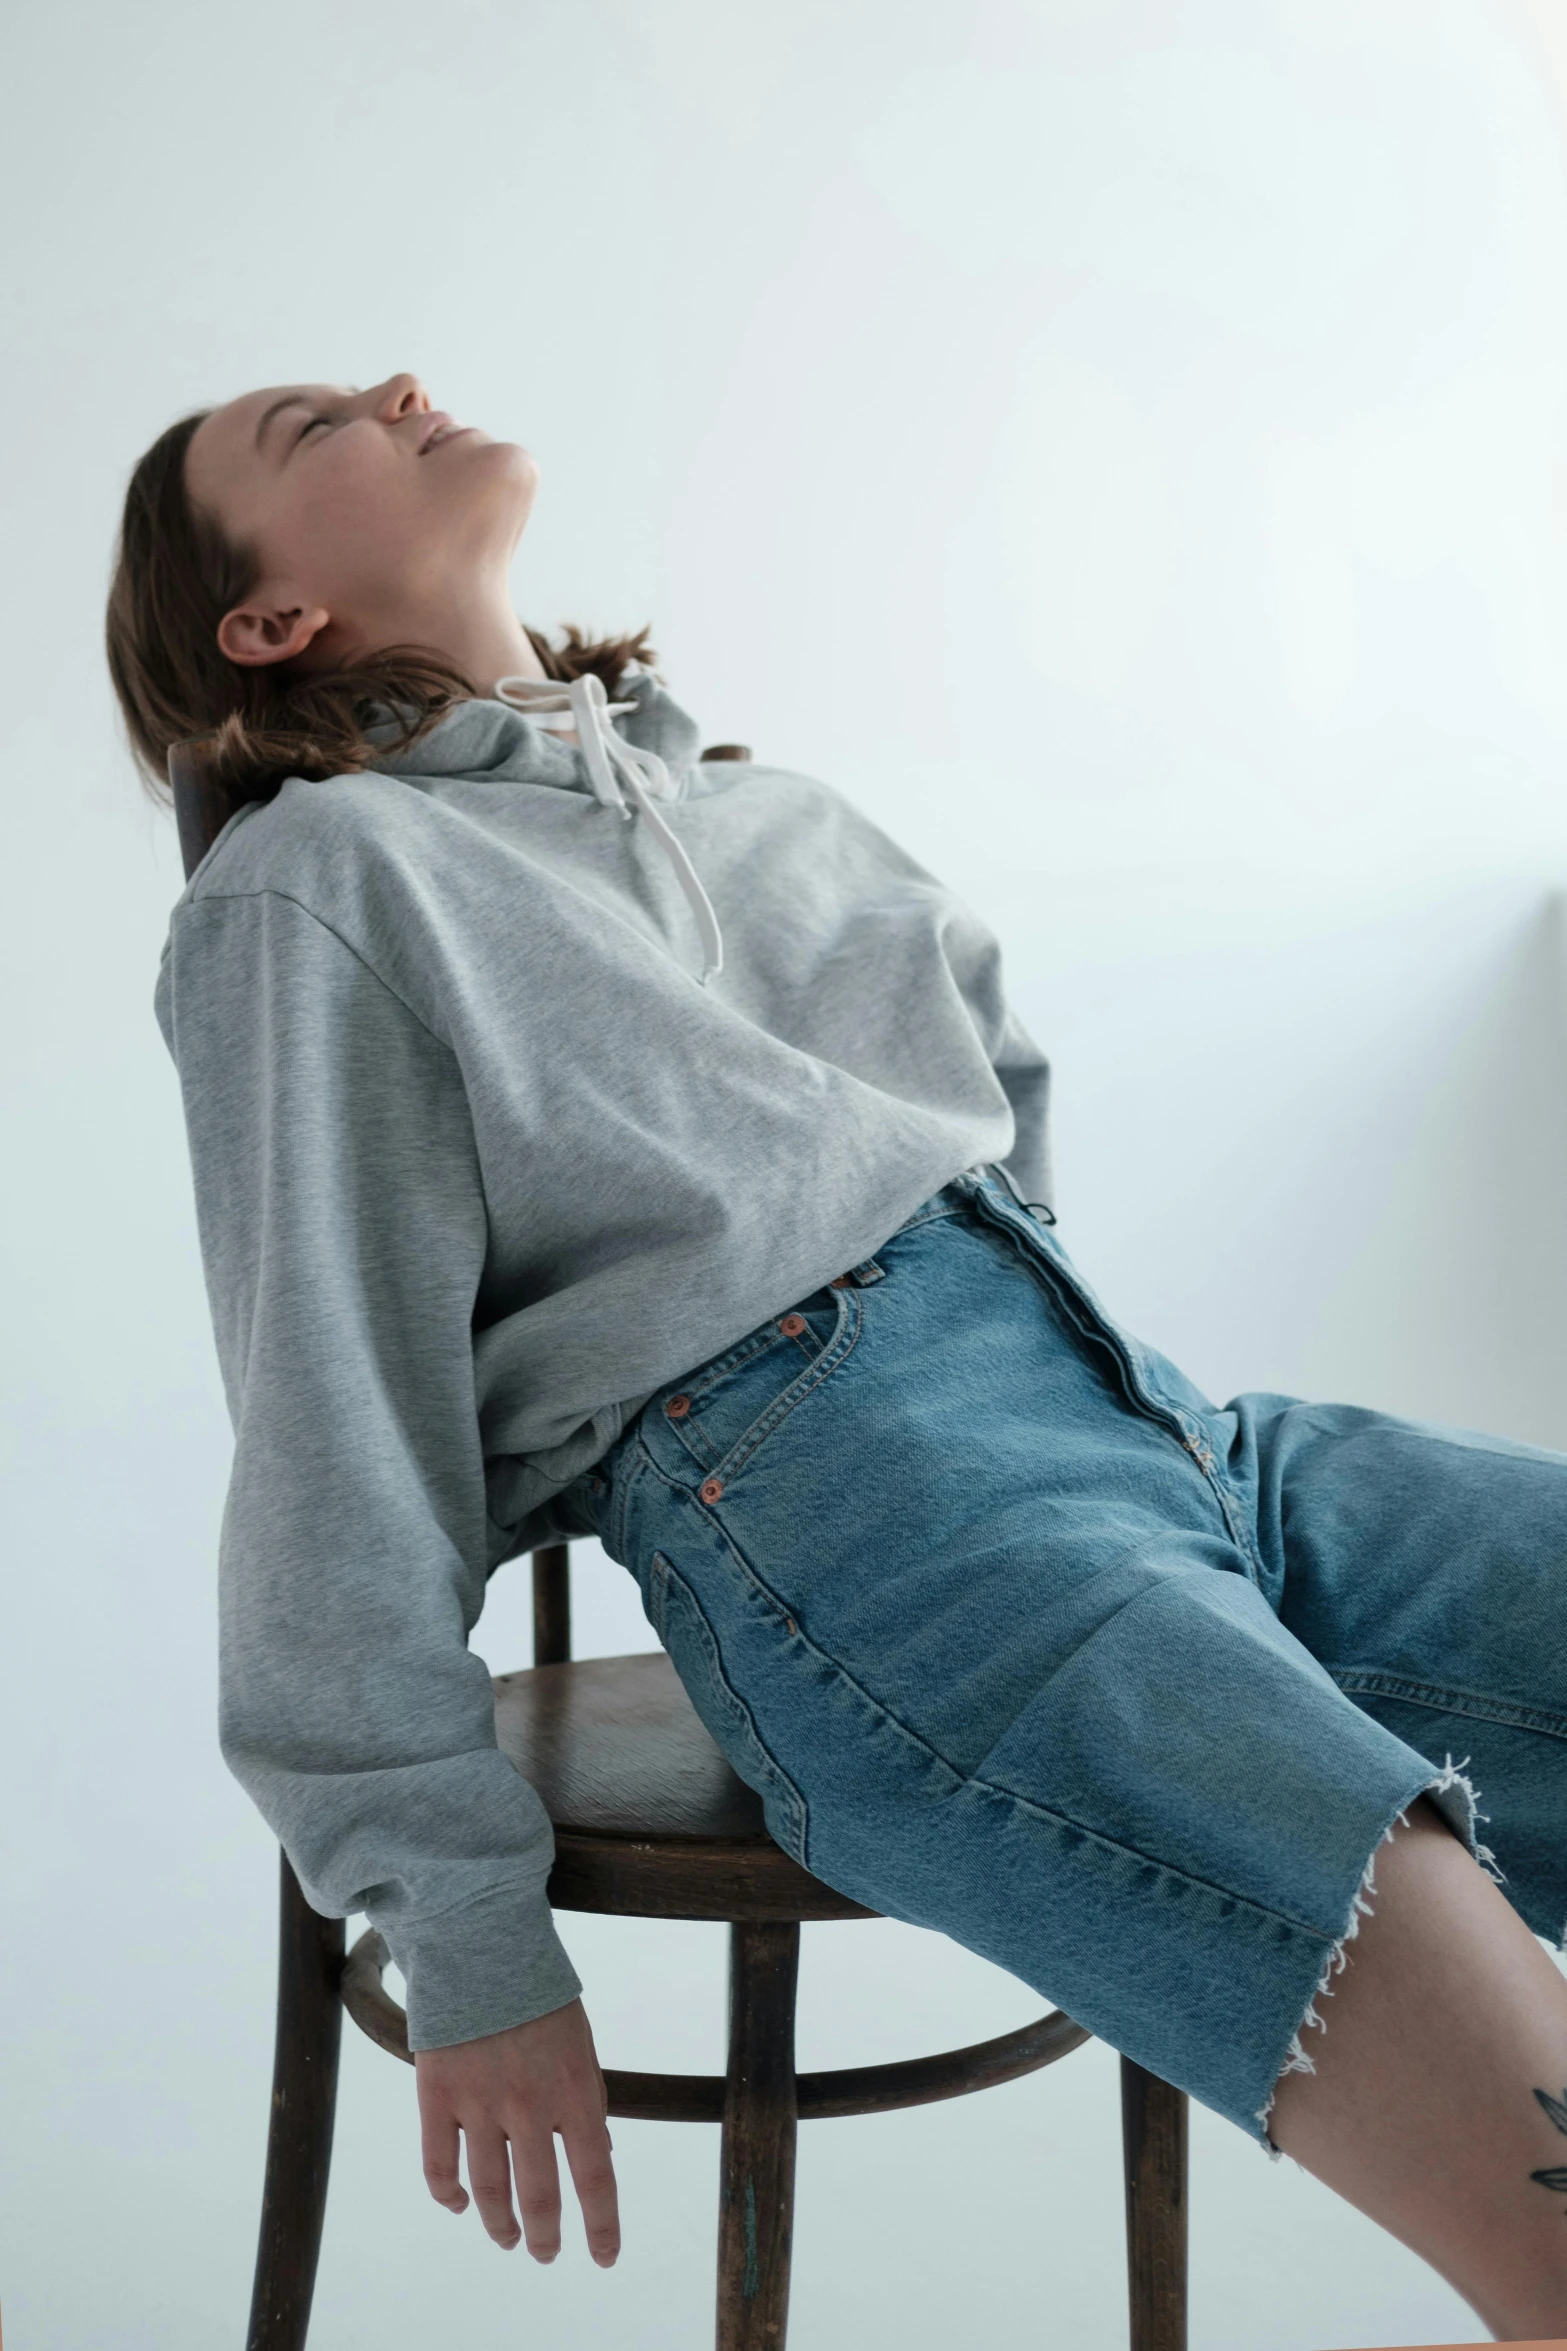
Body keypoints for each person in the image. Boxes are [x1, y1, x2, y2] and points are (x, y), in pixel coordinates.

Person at [107, 372, 1567, 2338]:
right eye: (313, 427)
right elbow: (327, 1429)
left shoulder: (774, 814)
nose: (394, 387)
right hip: (854, 1509)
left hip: (1144, 1422)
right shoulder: (326, 889)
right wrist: (462, 1912)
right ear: (270, 623)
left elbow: (1005, 1125)